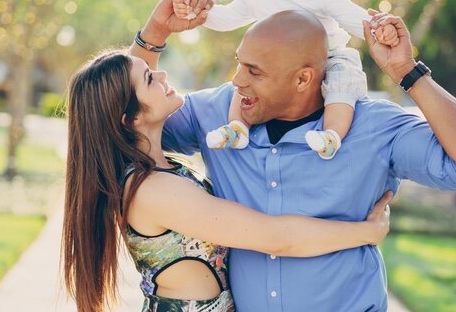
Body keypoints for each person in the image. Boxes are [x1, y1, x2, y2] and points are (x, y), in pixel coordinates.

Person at [133, 0, 456, 311]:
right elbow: (126, 120)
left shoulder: (374, 126)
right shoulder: (214, 113)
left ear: (304, 78)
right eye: (239, 64)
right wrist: (155, 33)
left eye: (255, 71)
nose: (238, 80)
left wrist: (408, 72)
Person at [60, 47, 393, 311]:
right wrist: (366, 232)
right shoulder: (152, 190)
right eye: (149, 79)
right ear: (130, 118)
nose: (161, 73)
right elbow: (275, 237)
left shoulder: (158, 170)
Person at [172, 0, 399, 160]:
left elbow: (354, 17)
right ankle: (238, 128)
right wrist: (197, 13)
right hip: (274, 68)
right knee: (245, 80)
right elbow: (227, 18)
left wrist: (381, 30)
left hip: (328, 57)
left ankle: (331, 135)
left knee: (342, 84)